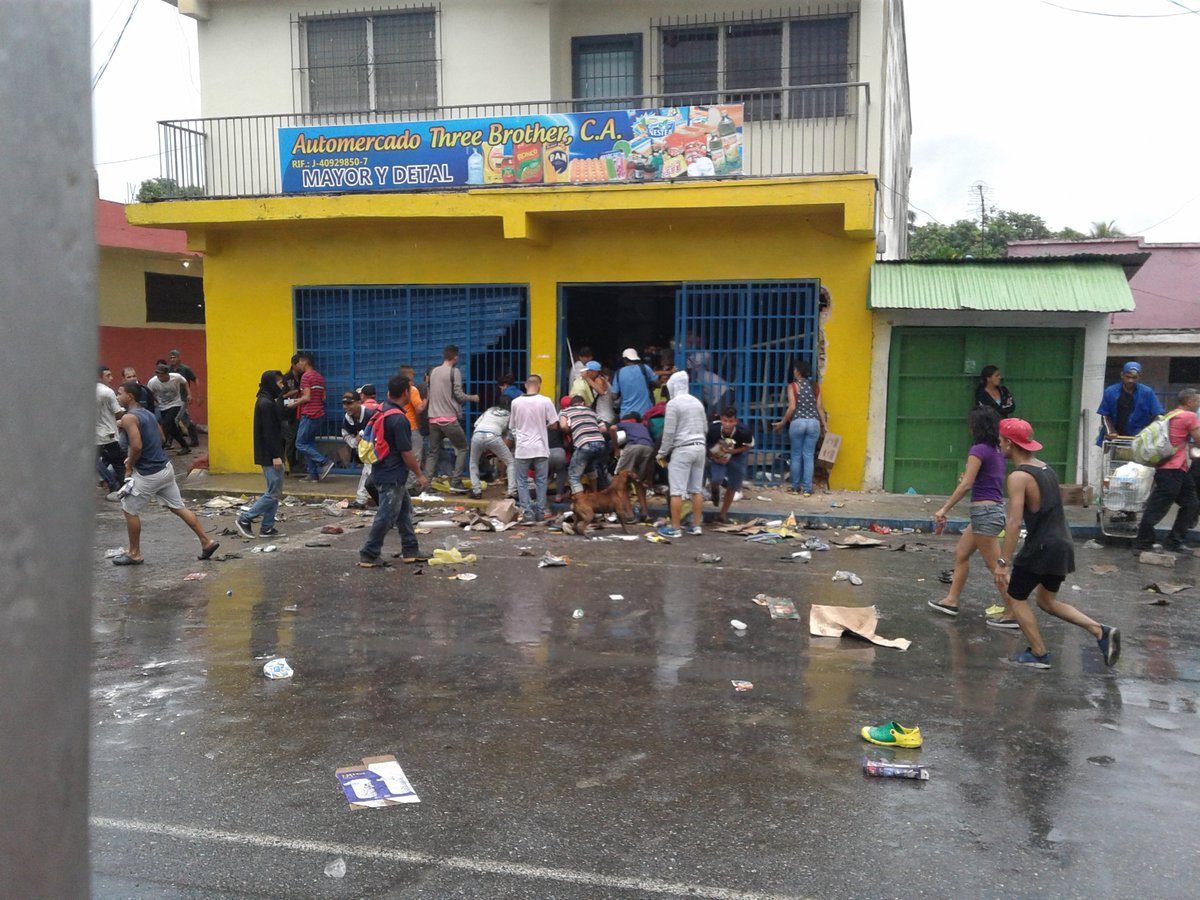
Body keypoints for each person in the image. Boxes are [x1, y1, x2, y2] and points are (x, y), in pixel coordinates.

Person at [992, 418, 1120, 669]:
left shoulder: (1019, 476)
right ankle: (1100, 631)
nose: (999, 444)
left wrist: (1003, 562)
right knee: (1046, 601)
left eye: (1000, 440)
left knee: (1016, 597)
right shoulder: (1045, 469)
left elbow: (1014, 521)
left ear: (1009, 443)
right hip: (1062, 544)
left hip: (1041, 547)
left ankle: (1039, 653)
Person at [110, 380, 220, 565]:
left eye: (119, 393)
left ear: (130, 396)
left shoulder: (130, 418)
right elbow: (161, 437)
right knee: (179, 507)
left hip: (148, 474)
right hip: (165, 469)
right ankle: (207, 541)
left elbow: (136, 446)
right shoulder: (147, 414)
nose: (117, 396)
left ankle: (134, 553)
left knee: (129, 509)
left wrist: (130, 465)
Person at [928, 407, 1013, 625]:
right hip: (989, 512)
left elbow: (967, 484)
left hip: (984, 513)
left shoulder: (978, 450)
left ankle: (1014, 612)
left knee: (996, 567)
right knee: (961, 554)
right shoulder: (996, 450)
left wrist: (944, 509)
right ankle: (951, 600)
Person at [358, 375, 430, 567]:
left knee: (404, 513)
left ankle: (410, 550)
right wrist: (420, 475)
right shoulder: (399, 419)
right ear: (406, 393)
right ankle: (369, 553)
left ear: (389, 392)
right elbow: (406, 452)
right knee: (386, 515)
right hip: (392, 475)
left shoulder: (383, 409)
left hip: (383, 470)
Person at [1134, 388, 1200, 552]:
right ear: (1189, 401)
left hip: (1178, 469)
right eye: (1197, 401)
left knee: (1192, 504)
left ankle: (1175, 541)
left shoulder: (1172, 414)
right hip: (1171, 470)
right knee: (1157, 507)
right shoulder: (1189, 416)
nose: (1198, 404)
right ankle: (1143, 543)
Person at [235, 371, 286, 538]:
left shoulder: (268, 400)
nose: (282, 386)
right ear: (271, 383)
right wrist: (276, 455)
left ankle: (267, 527)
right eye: (279, 383)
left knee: (274, 492)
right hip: (271, 455)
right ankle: (245, 518)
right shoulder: (266, 403)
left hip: (271, 453)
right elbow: (269, 433)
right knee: (272, 493)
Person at [657, 371, 707, 537]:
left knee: (677, 491)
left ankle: (676, 528)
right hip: (700, 447)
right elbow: (705, 428)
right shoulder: (697, 402)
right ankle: (697, 526)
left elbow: (669, 433)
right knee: (696, 489)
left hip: (683, 449)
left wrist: (662, 453)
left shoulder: (673, 404)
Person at [423, 345, 479, 492]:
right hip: (448, 419)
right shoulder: (455, 372)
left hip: (433, 419)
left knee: (433, 452)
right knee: (462, 447)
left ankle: (426, 484)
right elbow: (459, 395)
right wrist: (472, 398)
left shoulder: (434, 371)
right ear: (455, 357)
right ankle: (456, 481)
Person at [509, 374, 559, 524]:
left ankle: (528, 514)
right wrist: (543, 426)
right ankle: (540, 513)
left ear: (525, 385)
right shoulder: (546, 401)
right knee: (542, 481)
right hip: (540, 447)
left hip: (522, 448)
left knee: (522, 481)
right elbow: (555, 424)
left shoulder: (516, 402)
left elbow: (513, 426)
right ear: (540, 385)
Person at [772, 359, 827, 495]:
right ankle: (808, 489)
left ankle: (796, 487)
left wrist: (782, 422)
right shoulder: (815, 386)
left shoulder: (793, 386)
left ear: (797, 371)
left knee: (796, 455)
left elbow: (792, 407)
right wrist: (825, 425)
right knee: (808, 456)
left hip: (798, 423)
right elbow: (820, 407)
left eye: (794, 370)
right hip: (813, 423)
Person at [286, 351, 335, 481]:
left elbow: (307, 397)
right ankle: (313, 475)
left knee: (300, 443)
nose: (299, 365)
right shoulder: (319, 377)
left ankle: (324, 462)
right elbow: (323, 397)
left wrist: (294, 403)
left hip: (309, 414)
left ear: (305, 362)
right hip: (319, 413)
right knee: (309, 443)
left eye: (300, 362)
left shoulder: (306, 376)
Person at [1097, 361, 1164, 445]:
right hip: (1114, 438)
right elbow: (1104, 415)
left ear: (1140, 377)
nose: (1130, 380)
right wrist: (1110, 431)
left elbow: (1158, 415)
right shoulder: (1110, 392)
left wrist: (1148, 432)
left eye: (1134, 377)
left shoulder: (1147, 393)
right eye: (1128, 377)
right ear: (1122, 375)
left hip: (1138, 438)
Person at [707, 407, 754, 524]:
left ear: (736, 421)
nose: (727, 424)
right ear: (721, 420)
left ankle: (722, 515)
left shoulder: (744, 431)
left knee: (733, 486)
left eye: (731, 421)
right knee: (716, 479)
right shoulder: (713, 429)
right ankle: (714, 491)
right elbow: (705, 444)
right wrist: (714, 457)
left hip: (737, 456)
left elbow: (749, 445)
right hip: (718, 456)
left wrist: (733, 452)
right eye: (725, 421)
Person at [560, 395, 612, 497]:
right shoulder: (591, 411)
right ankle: (595, 498)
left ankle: (582, 503)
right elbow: (604, 429)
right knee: (591, 468)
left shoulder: (565, 411)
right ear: (583, 403)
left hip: (584, 443)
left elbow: (563, 426)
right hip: (600, 443)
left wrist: (571, 430)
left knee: (573, 475)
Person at [469, 396, 516, 501]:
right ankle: (512, 491)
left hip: (477, 435)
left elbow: (476, 423)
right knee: (510, 462)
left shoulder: (490, 410)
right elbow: (510, 430)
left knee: (473, 463)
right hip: (494, 436)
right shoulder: (509, 415)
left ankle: (476, 491)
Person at [614, 412, 656, 521]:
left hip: (633, 447)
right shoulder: (642, 426)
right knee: (639, 481)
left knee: (620, 481)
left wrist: (616, 448)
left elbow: (612, 429)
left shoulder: (625, 424)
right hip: (649, 448)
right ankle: (645, 513)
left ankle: (629, 515)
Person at [147, 362, 191, 455]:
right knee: (172, 428)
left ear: (167, 374)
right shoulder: (152, 382)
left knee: (165, 425)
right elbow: (149, 394)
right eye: (158, 376)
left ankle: (159, 448)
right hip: (163, 406)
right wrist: (155, 401)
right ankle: (185, 447)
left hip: (175, 404)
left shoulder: (176, 377)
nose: (160, 378)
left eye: (162, 376)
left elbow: (185, 382)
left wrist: (189, 394)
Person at [340, 390, 373, 509]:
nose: (346, 407)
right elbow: (345, 433)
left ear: (359, 402)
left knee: (370, 473)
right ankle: (361, 500)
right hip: (366, 451)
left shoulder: (370, 414)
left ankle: (363, 499)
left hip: (378, 448)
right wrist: (355, 442)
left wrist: (365, 436)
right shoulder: (348, 418)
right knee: (367, 472)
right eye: (344, 404)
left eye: (349, 403)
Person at [96, 366, 125, 499]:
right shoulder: (107, 392)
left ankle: (114, 484)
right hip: (109, 434)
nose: (111, 378)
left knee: (102, 460)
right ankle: (118, 485)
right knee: (118, 463)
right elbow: (118, 414)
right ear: (99, 376)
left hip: (95, 434)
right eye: (108, 375)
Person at [610, 347, 657, 419]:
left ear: (625, 359)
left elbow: (614, 396)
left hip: (626, 414)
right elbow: (657, 384)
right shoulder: (645, 368)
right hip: (645, 413)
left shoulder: (619, 373)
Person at [168, 349, 201, 447]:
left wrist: (198, 395)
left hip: (183, 398)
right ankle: (194, 440)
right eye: (171, 358)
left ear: (179, 358)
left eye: (175, 357)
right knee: (186, 419)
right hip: (173, 399)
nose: (173, 359)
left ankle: (169, 441)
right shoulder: (168, 370)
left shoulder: (185, 369)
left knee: (175, 419)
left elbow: (195, 380)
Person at [280, 354, 302, 473]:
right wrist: (295, 392)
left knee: (293, 438)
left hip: (295, 412)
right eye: (299, 363)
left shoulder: (302, 376)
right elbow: (281, 396)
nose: (302, 365)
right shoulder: (287, 378)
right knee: (290, 439)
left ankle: (293, 463)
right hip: (285, 413)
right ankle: (290, 465)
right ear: (293, 365)